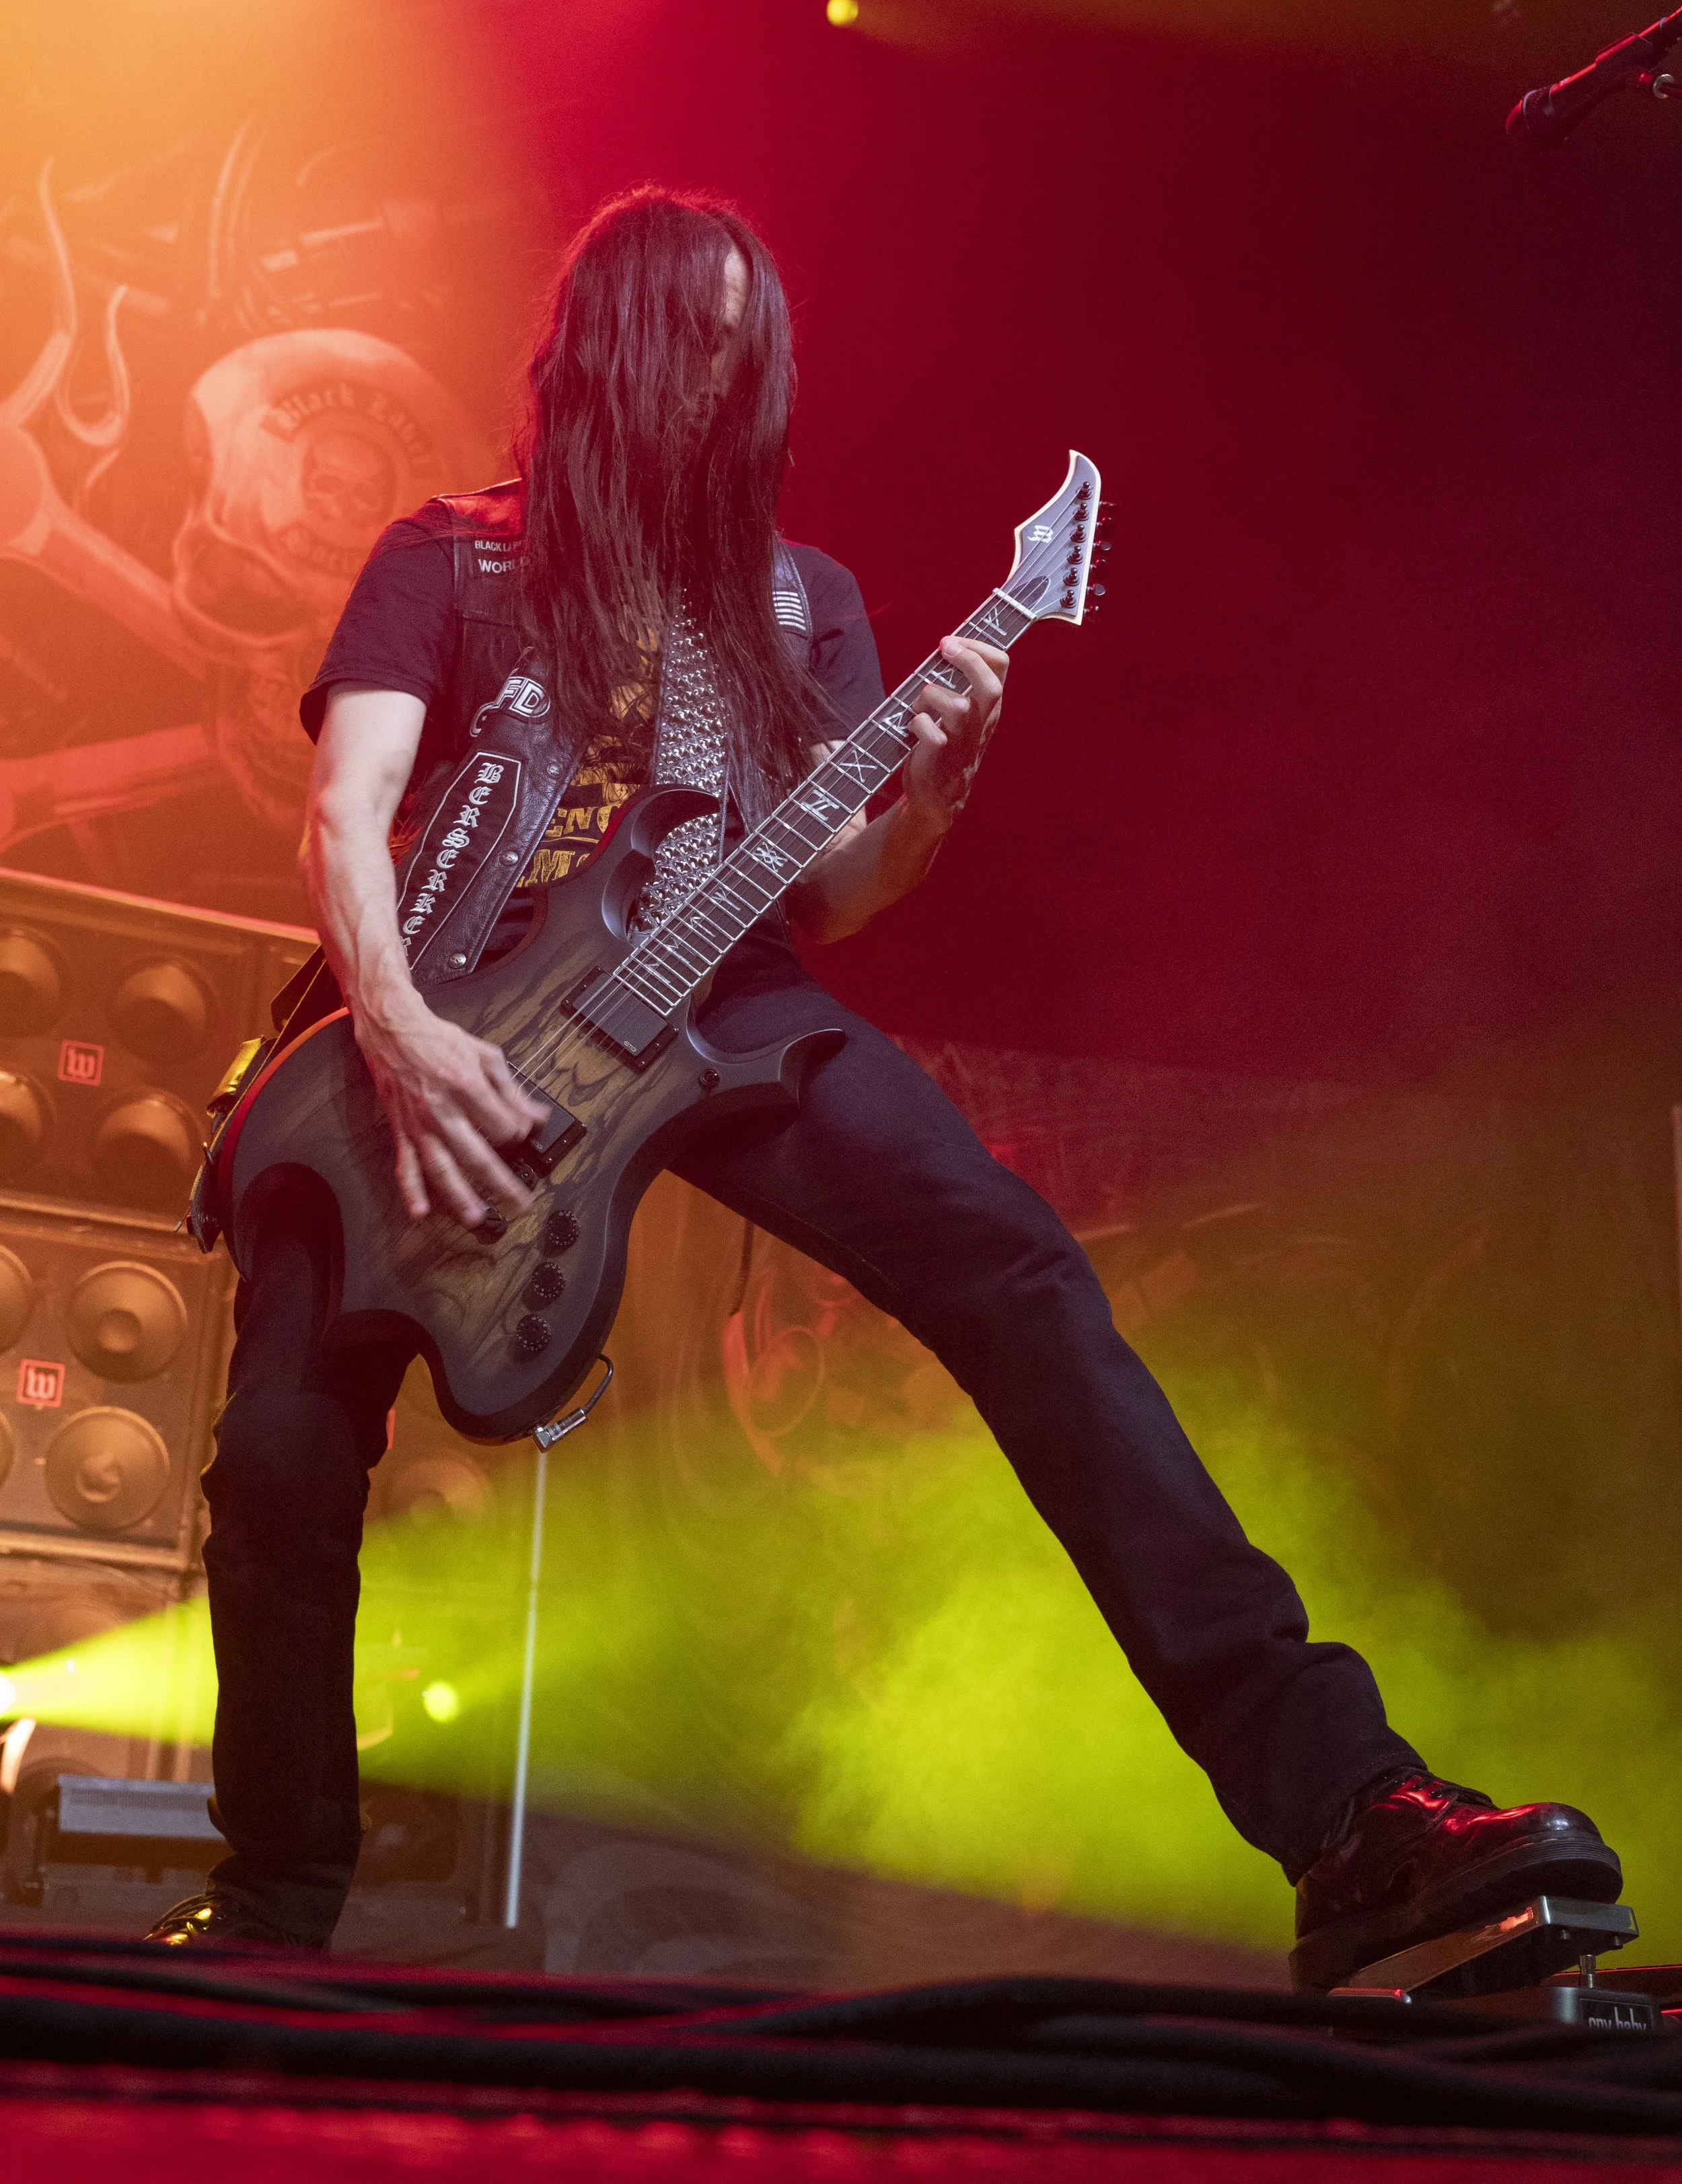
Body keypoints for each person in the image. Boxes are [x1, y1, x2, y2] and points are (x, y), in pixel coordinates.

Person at [148, 188, 1621, 1983]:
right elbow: (349, 806)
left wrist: (932, 793)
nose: (728, 364)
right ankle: (277, 1900)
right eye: (689, 325)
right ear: (595, 345)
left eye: (751, 337)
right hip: (435, 1021)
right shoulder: (447, 557)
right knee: (285, 1451)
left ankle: (1347, 1813)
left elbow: (832, 890)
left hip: (720, 1006)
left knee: (1012, 1269)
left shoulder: (803, 601)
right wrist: (392, 1023)